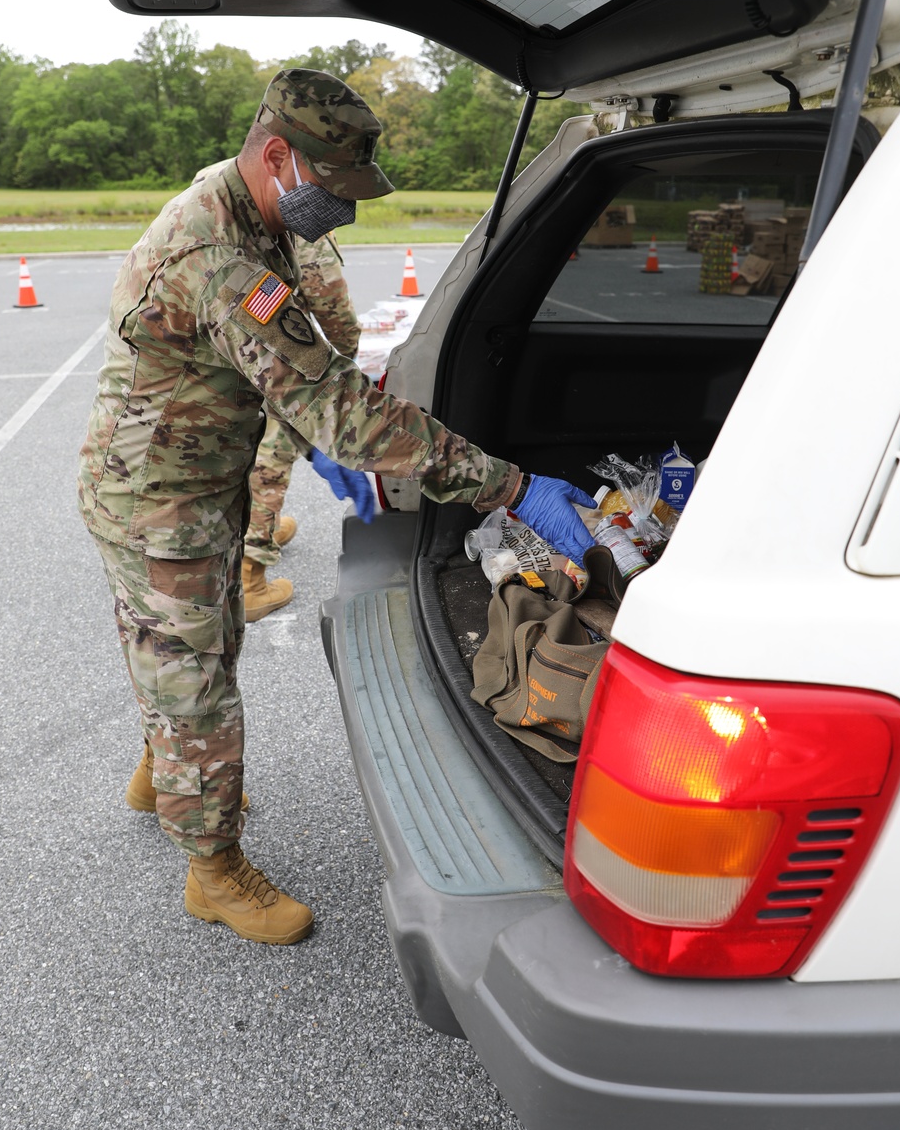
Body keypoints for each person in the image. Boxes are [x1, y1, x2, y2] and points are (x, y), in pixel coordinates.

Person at [78, 68, 596, 947]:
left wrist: (320, 433)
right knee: (198, 677)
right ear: (277, 156)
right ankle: (213, 869)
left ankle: (163, 762)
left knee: (188, 647)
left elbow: (282, 370)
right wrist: (511, 486)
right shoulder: (222, 259)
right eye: (333, 190)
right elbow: (338, 404)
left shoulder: (241, 203)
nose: (344, 214)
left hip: (186, 479)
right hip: (157, 502)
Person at [242, 232, 361, 619]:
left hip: (225, 347)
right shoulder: (302, 225)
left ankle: (258, 528)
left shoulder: (223, 201)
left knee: (235, 443)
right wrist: (338, 369)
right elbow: (334, 312)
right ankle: (248, 581)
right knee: (273, 452)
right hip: (267, 353)